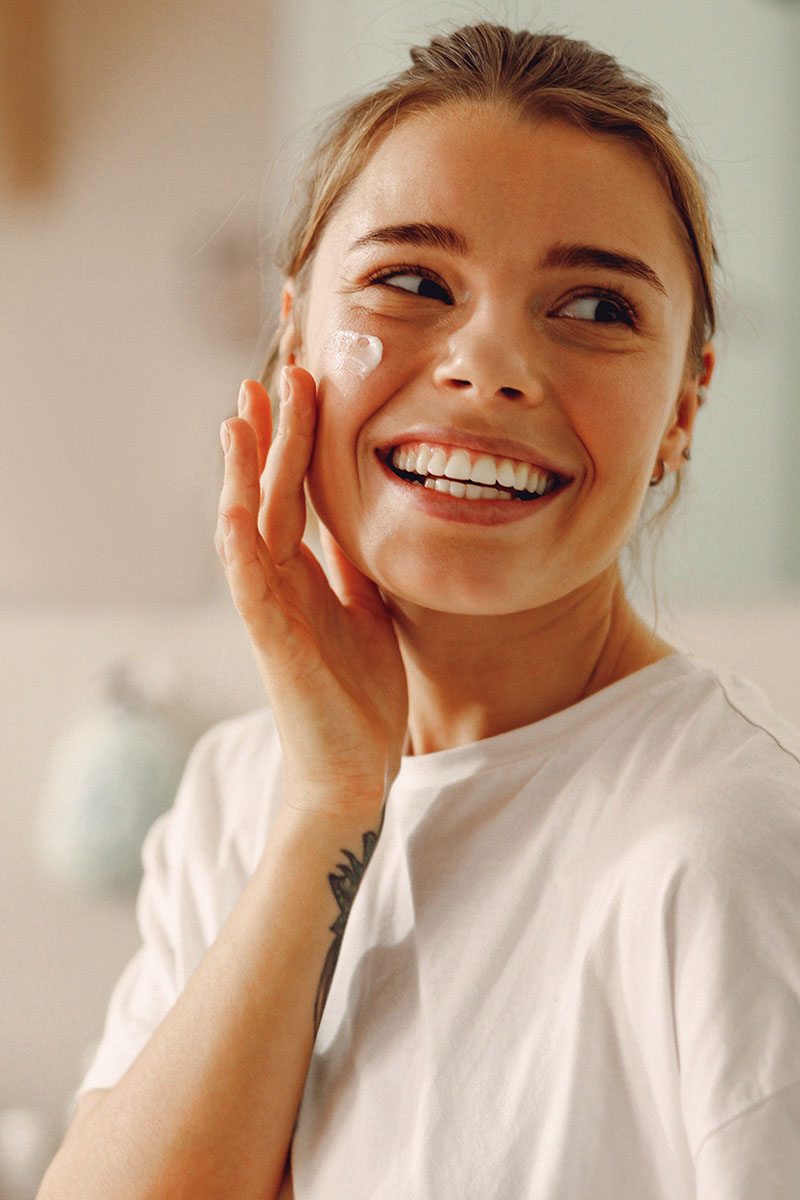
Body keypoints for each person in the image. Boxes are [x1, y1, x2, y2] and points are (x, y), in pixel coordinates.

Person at [38, 23, 800, 1200]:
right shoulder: (244, 793)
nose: (490, 365)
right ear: (293, 334)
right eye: (411, 281)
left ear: (684, 406)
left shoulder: (730, 855)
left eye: (595, 307)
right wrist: (328, 804)